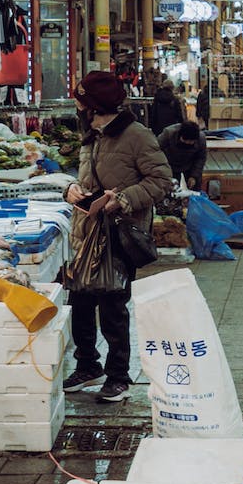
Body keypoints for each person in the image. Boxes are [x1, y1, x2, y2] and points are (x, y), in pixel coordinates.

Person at [62, 70, 172, 403]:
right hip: (86, 234)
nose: (79, 109)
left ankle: (118, 375)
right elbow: (85, 176)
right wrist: (72, 189)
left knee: (112, 307)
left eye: (82, 103)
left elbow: (161, 181)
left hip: (117, 234)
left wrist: (121, 199)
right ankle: (87, 365)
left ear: (94, 106)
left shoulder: (136, 136)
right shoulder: (92, 135)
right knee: (79, 302)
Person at [158, 120, 206, 191]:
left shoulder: (201, 138)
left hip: (189, 165)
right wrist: (163, 171)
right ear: (180, 135)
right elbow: (156, 152)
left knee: (194, 187)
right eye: (186, 141)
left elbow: (200, 158)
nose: (188, 143)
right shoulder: (168, 133)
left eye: (191, 142)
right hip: (169, 164)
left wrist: (194, 176)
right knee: (168, 190)